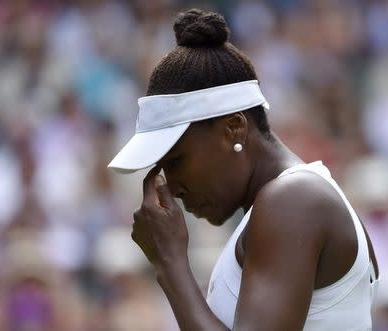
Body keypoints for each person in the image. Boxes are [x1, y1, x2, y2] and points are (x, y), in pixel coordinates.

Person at [108, 8, 379, 331]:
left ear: (234, 128)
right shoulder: (280, 205)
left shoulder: (293, 201)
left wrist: (170, 263)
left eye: (177, 161)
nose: (175, 187)